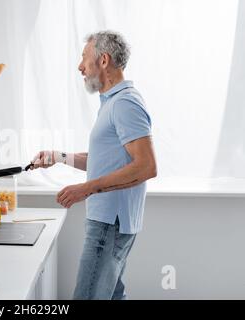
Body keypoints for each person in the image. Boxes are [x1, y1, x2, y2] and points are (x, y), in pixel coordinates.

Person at [31, 31, 157, 300]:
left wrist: (85, 189)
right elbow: (105, 160)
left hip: (108, 225)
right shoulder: (112, 103)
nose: (80, 66)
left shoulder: (125, 103)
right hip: (109, 223)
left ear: (103, 60)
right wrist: (58, 156)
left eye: (84, 58)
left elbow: (146, 166)